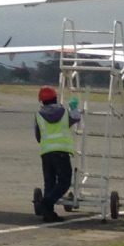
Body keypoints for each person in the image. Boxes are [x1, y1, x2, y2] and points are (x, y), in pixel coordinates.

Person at [34, 85, 80, 222]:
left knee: (49, 183)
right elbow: (76, 118)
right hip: (61, 152)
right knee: (64, 182)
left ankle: (48, 214)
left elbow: (38, 136)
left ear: (41, 101)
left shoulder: (38, 115)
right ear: (55, 98)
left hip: (46, 153)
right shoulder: (64, 112)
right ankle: (45, 204)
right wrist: (74, 108)